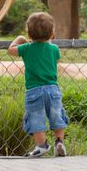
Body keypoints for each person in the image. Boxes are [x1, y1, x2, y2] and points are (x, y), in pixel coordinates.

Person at [7, 12, 69, 157]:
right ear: (52, 33)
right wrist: (48, 39)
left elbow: (10, 50)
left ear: (29, 33)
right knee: (56, 115)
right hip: (52, 89)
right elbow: (52, 54)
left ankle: (42, 145)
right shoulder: (54, 49)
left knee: (36, 117)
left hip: (34, 90)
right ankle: (59, 141)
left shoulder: (26, 48)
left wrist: (19, 39)